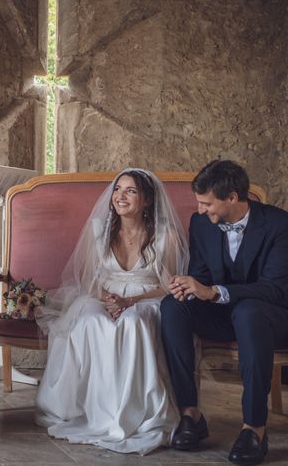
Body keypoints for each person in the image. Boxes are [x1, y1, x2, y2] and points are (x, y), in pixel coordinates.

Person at [161, 160, 288, 465]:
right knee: (173, 307)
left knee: (249, 312)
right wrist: (189, 287)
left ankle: (254, 428)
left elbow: (275, 287)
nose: (201, 209)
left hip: (275, 318)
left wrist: (217, 292)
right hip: (225, 315)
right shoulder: (201, 223)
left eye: (207, 202)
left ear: (232, 197)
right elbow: (201, 274)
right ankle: (190, 414)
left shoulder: (282, 224)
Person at [35, 168, 189, 455]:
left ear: (146, 200)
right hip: (105, 296)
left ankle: (133, 413)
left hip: (147, 298)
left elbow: (170, 286)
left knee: (134, 324)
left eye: (130, 191)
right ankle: (94, 410)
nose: (121, 196)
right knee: (90, 320)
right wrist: (108, 299)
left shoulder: (164, 235)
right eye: (118, 189)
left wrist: (131, 302)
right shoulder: (99, 231)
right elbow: (89, 279)